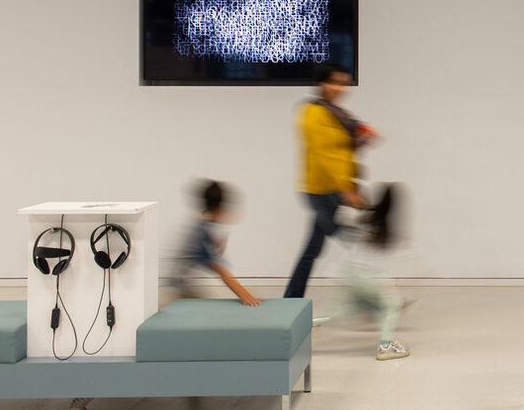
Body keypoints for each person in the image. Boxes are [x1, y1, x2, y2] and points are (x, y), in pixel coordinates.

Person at [284, 63, 375, 299]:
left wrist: (361, 140)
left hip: (332, 189)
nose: (339, 88)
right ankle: (375, 298)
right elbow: (326, 156)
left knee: (312, 250)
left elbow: (342, 152)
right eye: (334, 82)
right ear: (320, 83)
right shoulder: (313, 113)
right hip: (322, 191)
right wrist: (346, 189)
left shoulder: (336, 114)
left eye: (343, 83)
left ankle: (291, 300)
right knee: (353, 241)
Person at [329, 182, 410, 360]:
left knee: (355, 307)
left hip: (353, 273)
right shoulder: (382, 223)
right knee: (391, 304)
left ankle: (310, 322)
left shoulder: (365, 216)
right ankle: (385, 346)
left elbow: (344, 220)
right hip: (365, 276)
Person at [173, 179, 262, 307]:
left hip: (183, 284)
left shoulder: (201, 223)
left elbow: (207, 251)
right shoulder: (199, 234)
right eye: (226, 209)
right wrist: (246, 296)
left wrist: (216, 244)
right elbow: (222, 272)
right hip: (179, 290)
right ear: (219, 208)